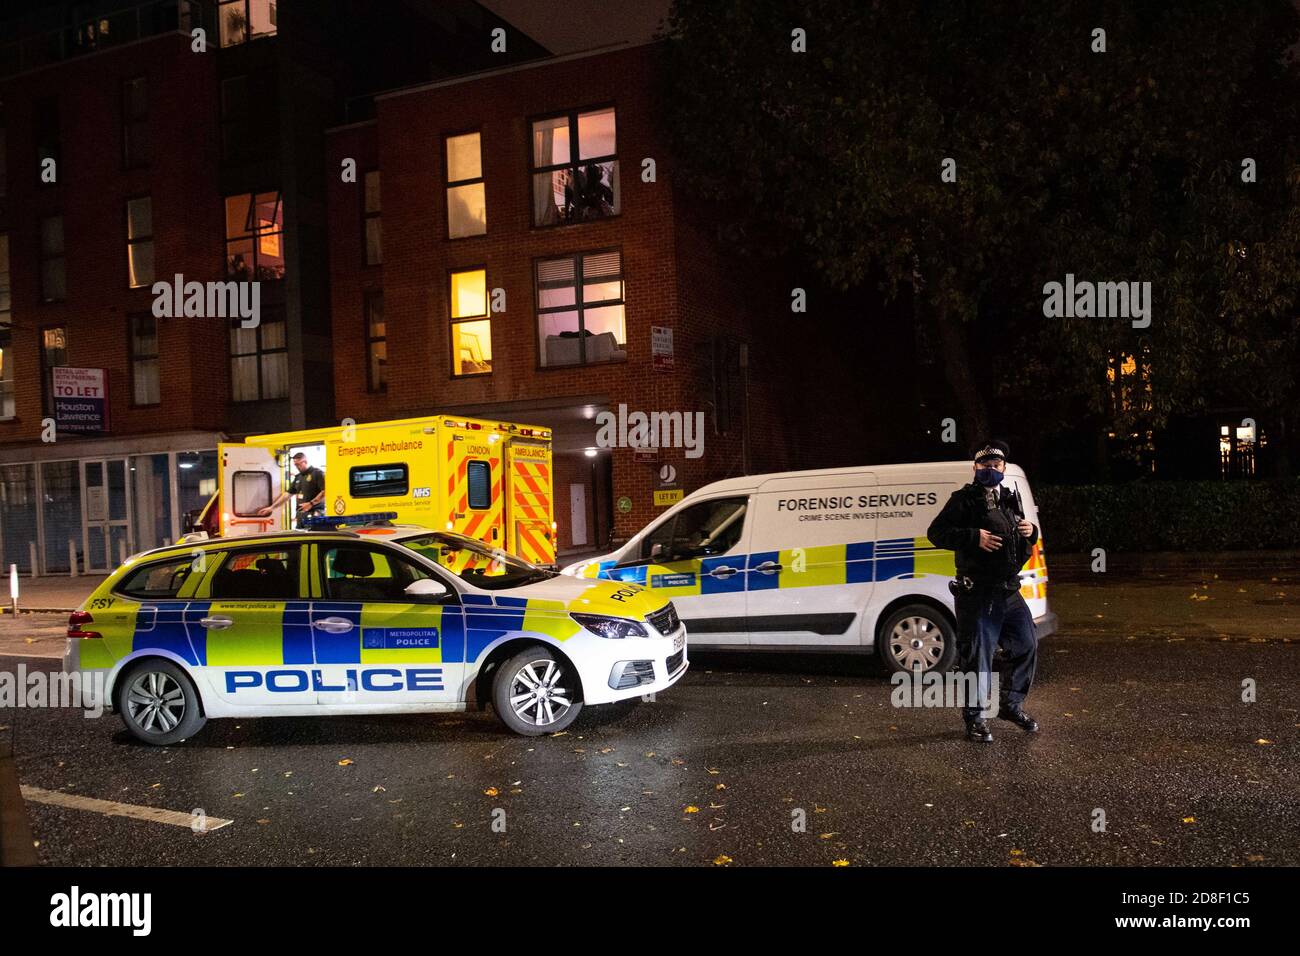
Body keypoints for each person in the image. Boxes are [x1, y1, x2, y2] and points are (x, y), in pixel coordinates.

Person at [926, 440, 1040, 743]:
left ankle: (1011, 705)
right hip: (978, 593)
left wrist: (1031, 530)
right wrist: (973, 536)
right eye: (985, 466)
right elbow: (936, 533)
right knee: (979, 658)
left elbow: (1018, 531)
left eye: (996, 465)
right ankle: (974, 719)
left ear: (1004, 468)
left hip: (1008, 591)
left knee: (1026, 645)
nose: (992, 470)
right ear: (975, 468)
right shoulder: (963, 500)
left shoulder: (1008, 497)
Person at [258, 452, 325, 527]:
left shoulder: (317, 474)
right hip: (301, 515)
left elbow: (324, 492)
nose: (297, 467)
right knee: (301, 537)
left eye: (298, 464)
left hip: (315, 513)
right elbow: (288, 494)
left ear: (305, 462)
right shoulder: (298, 477)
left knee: (313, 537)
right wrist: (272, 507)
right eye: (295, 465)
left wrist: (311, 504)